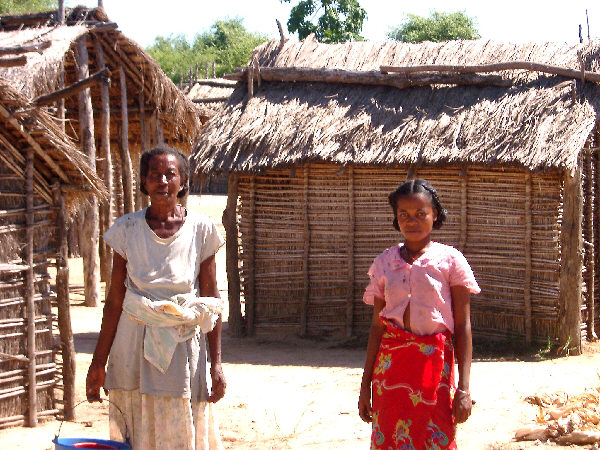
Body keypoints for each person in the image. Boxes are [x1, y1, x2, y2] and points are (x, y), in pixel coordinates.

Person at [86, 145, 226, 450]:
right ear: (144, 183)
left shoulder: (201, 229)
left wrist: (216, 364)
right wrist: (98, 362)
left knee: (182, 423)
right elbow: (114, 300)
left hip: (182, 344)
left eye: (170, 174)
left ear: (182, 181)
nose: (162, 181)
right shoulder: (127, 229)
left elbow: (211, 300)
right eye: (154, 175)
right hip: (132, 342)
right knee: (137, 429)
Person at [358, 178, 480, 449]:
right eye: (404, 214)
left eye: (420, 214)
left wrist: (464, 388)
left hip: (434, 370)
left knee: (435, 436)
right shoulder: (384, 263)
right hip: (390, 372)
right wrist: (365, 386)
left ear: (434, 215)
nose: (412, 220)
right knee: (390, 436)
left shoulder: (451, 261)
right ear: (396, 218)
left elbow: (463, 326)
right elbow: (377, 328)